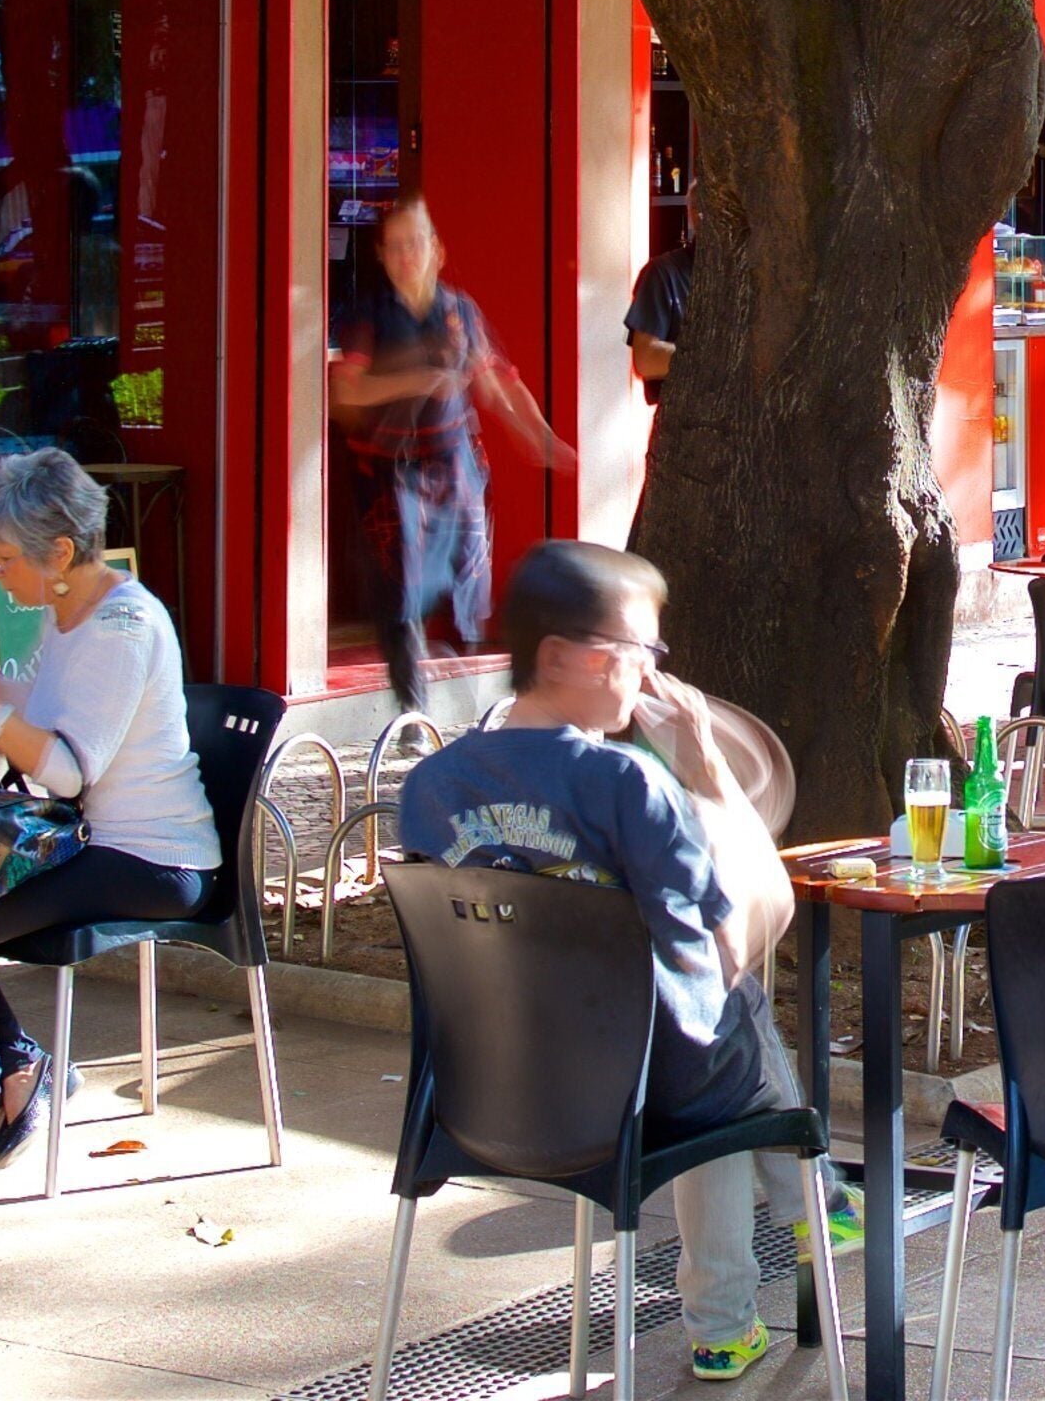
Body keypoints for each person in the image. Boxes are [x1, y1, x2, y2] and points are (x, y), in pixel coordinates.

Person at [394, 541, 830, 1382]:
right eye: (640, 650)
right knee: (724, 1014)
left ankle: (808, 1222)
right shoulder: (628, 782)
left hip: (481, 1093)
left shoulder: (432, 785)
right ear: (564, 656)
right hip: (634, 1096)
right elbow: (732, 936)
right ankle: (803, 1220)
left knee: (712, 1023)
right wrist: (711, 775)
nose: (649, 672)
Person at [0, 448, 222, 1196]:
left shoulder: (121, 626)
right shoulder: (72, 613)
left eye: (3, 559)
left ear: (59, 553)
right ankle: (18, 1069)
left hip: (155, 858)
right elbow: (40, 708)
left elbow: (66, 769)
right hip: (96, 842)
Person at [332, 194, 576, 703]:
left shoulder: (459, 310)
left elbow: (497, 383)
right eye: (396, 246)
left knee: (469, 577)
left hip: (452, 460)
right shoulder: (368, 314)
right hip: (389, 471)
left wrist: (540, 435)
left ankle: (480, 697)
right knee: (400, 592)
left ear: (437, 250)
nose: (407, 255)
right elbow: (346, 394)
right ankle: (412, 706)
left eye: (416, 243)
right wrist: (416, 380)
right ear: (381, 255)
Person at [626, 227, 692, 405]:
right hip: (686, 414)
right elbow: (646, 358)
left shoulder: (756, 273)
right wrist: (718, 359)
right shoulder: (665, 272)